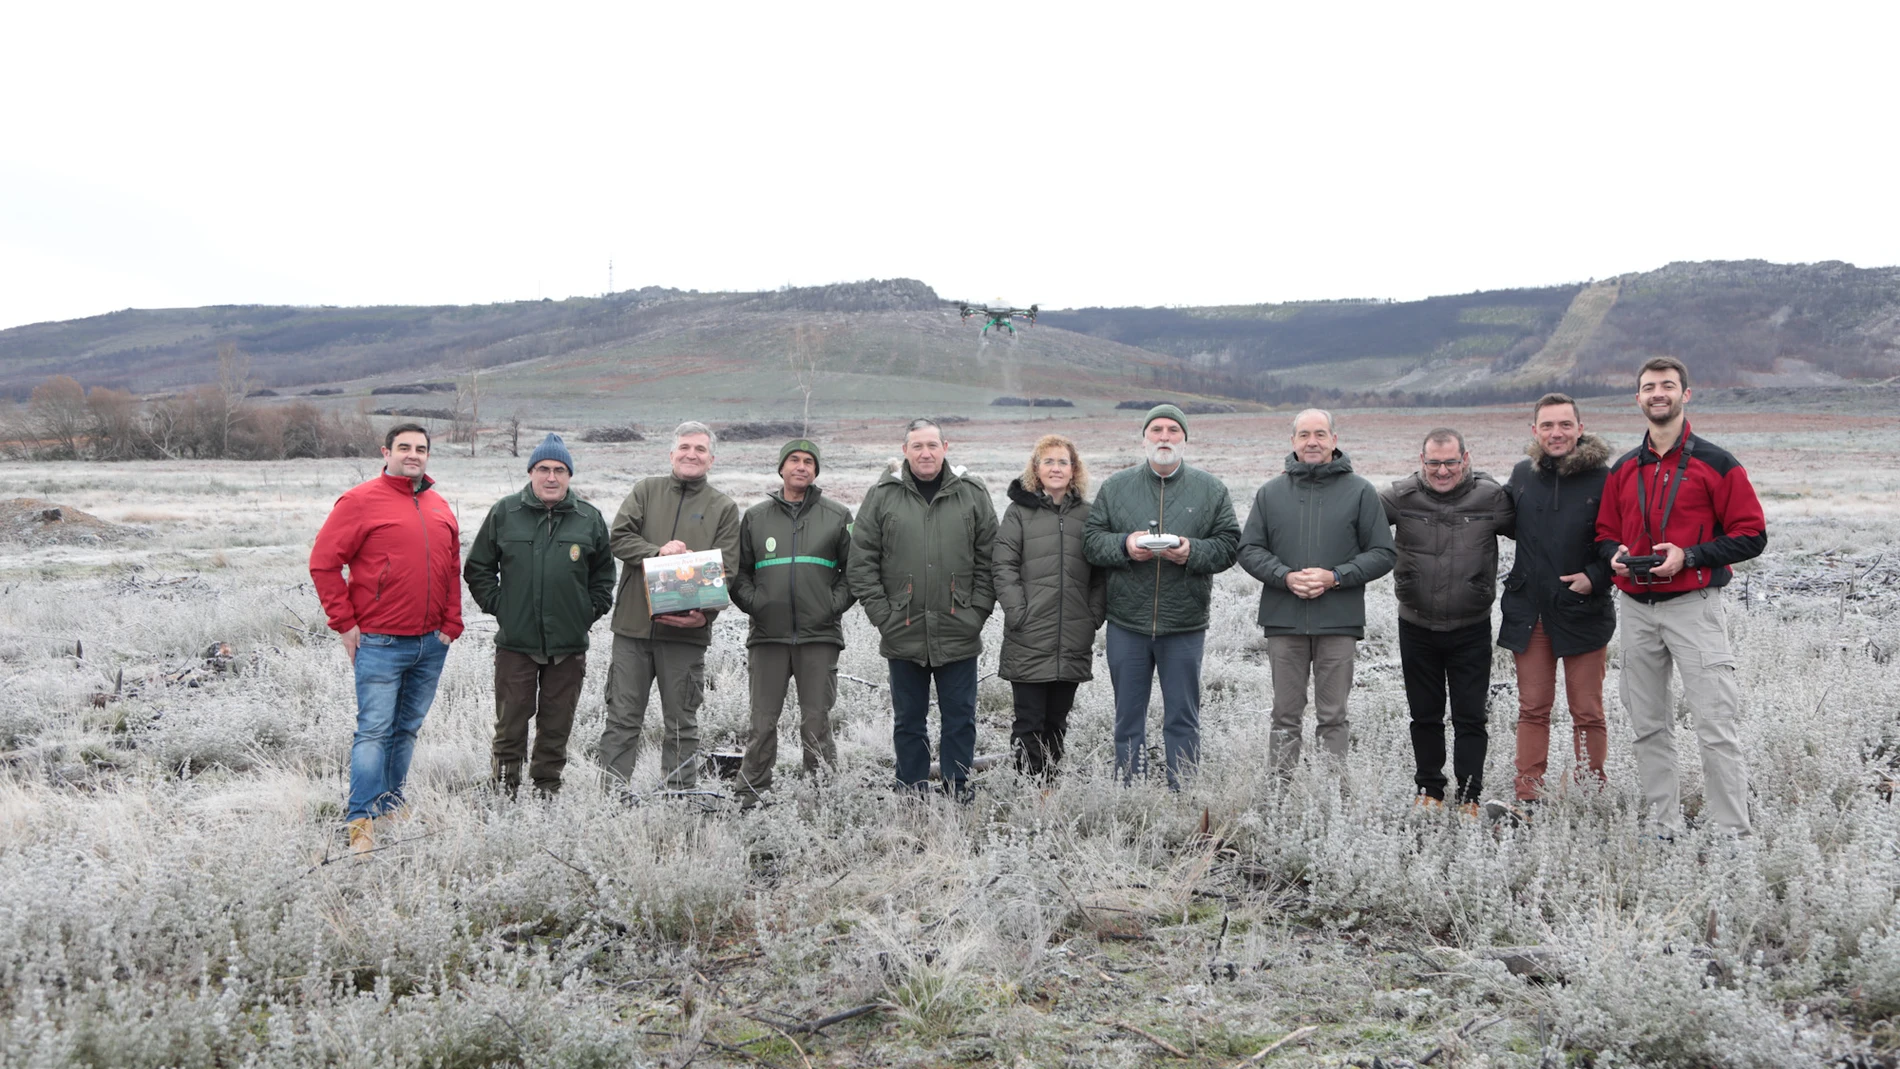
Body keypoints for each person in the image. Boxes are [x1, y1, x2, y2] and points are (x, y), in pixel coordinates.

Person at [1596, 356, 1766, 836]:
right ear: (1638, 398)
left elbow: (1752, 534)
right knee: (1648, 724)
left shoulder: (1717, 464)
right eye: (1649, 387)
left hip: (1694, 607)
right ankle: (1662, 825)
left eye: (1667, 386)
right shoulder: (1624, 468)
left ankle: (1732, 831)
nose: (1658, 394)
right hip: (1635, 609)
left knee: (1715, 725)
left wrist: (1689, 556)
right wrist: (1614, 554)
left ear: (1685, 394)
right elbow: (1605, 531)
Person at [309, 423, 463, 853]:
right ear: (386, 451)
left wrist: (452, 624)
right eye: (404, 447)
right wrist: (345, 623)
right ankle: (360, 818)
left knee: (407, 729)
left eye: (421, 448)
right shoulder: (360, 501)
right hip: (380, 642)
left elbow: (451, 567)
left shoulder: (437, 504)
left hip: (431, 643)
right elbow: (323, 563)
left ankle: (391, 803)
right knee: (374, 731)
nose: (413, 454)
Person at [1082, 404, 1241, 788]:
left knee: (1183, 716)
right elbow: (1090, 542)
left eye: (1173, 430)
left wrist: (1191, 552)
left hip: (1184, 623)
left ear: (1184, 438)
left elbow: (1230, 545)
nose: (1165, 437)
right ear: (1144, 438)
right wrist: (1125, 545)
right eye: (1157, 430)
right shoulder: (1115, 487)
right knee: (1127, 715)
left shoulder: (1211, 489)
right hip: (1127, 623)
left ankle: (1182, 788)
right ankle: (1129, 788)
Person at [1238, 409, 1395, 774]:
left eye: (1321, 434)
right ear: (1292, 441)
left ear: (1334, 441)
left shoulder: (1360, 492)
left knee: (1333, 717)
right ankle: (1279, 795)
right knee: (1284, 715)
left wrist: (1336, 577)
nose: (1312, 442)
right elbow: (1248, 549)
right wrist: (1285, 577)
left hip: (1338, 622)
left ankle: (1330, 797)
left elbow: (1384, 553)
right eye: (1305, 434)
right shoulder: (1271, 493)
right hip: (1284, 621)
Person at [847, 418, 997, 799]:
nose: (925, 453)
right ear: (905, 451)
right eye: (917, 446)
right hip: (903, 627)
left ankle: (957, 789)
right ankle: (910, 790)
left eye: (932, 445)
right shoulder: (883, 495)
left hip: (957, 626)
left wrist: (975, 613)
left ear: (946, 447)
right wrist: (884, 617)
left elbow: (990, 559)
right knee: (909, 720)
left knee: (960, 720)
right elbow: (861, 561)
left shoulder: (972, 494)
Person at [463, 434, 615, 797]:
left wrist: (585, 612)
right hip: (516, 643)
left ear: (569, 475)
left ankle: (547, 790)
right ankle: (504, 789)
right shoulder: (505, 513)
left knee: (557, 723)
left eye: (559, 470)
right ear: (531, 472)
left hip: (568, 644)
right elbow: (479, 568)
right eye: (543, 469)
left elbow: (604, 577)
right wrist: (502, 608)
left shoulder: (588, 518)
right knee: (511, 722)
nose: (551, 477)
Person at [1493, 394, 1615, 820]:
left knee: (1586, 709)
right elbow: (1498, 520)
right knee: (1532, 707)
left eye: (1564, 424)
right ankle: (1528, 793)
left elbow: (1619, 542)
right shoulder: (1522, 475)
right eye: (1547, 426)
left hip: (1583, 609)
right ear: (1535, 432)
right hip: (1531, 611)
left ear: (1580, 428)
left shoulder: (1605, 479)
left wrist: (1595, 578)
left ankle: (1590, 790)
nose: (1556, 433)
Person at [600, 421, 740, 790]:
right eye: (684, 447)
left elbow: (728, 570)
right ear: (671, 453)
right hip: (632, 629)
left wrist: (703, 616)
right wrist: (657, 551)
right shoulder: (646, 491)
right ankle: (611, 800)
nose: (691, 454)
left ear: (712, 459)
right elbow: (619, 538)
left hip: (685, 636)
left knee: (682, 723)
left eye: (699, 449)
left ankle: (680, 797)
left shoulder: (723, 507)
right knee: (622, 719)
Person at [1380, 428, 1514, 811]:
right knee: (1425, 714)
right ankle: (1430, 791)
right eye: (1434, 463)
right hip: (1416, 625)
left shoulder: (1491, 499)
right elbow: (1353, 520)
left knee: (1470, 716)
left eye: (1451, 462)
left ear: (1465, 459)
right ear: (1421, 461)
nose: (1442, 471)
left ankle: (1470, 796)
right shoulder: (1399, 497)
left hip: (1471, 627)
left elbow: (1537, 534)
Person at [729, 439, 856, 803]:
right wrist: (758, 605)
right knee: (762, 722)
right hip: (768, 637)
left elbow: (855, 572)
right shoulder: (755, 517)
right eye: (794, 461)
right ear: (781, 468)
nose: (801, 467)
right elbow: (739, 574)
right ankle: (751, 793)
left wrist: (831, 605)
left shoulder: (837, 516)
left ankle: (821, 795)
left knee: (816, 721)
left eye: (809, 462)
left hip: (819, 636)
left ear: (816, 471)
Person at [994, 434, 1108, 779]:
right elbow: (1003, 566)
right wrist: (1018, 613)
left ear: (1074, 470)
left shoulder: (1090, 516)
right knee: (1028, 721)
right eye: (1048, 461)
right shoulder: (1018, 513)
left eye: (1063, 462)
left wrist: (1092, 617)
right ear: (1036, 469)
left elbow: (1101, 573)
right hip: (1028, 634)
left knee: (1057, 721)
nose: (1056, 468)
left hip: (1073, 633)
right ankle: (1026, 790)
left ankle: (1049, 788)